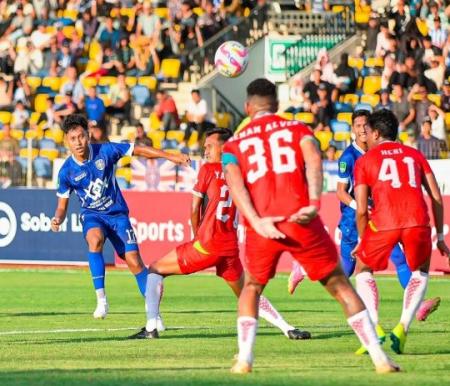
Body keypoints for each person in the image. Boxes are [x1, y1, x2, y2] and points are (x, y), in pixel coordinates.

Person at [222, 78, 399, 374]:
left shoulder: (235, 143)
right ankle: (380, 359)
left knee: (251, 287)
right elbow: (314, 159)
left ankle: (244, 360)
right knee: (341, 285)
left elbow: (232, 178)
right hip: (300, 218)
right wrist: (314, 201)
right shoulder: (296, 128)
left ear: (247, 107)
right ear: (276, 105)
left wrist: (254, 220)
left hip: (263, 225)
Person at [132, 128, 309, 340]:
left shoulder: (208, 169)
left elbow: (194, 207)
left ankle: (152, 327)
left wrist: (197, 236)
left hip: (207, 244)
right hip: (229, 247)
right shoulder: (240, 172)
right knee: (247, 292)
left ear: (223, 148)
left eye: (209, 146)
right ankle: (287, 328)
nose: (205, 150)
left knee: (154, 270)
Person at [51, 114, 190, 319]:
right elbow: (62, 206)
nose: (78, 142)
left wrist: (170, 156)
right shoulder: (66, 172)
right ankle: (102, 300)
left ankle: (154, 317)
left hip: (117, 215)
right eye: (73, 139)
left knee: (134, 262)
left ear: (88, 136)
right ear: (66, 142)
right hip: (93, 216)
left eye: (81, 137)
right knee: (94, 239)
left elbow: (138, 149)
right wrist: (57, 219)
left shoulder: (105, 151)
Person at [353, 109, 450, 355]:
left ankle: (374, 326)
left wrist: (363, 238)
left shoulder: (365, 160)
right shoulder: (415, 154)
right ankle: (403, 327)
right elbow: (436, 197)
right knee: (421, 271)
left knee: (363, 269)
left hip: (383, 222)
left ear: (375, 133)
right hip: (417, 221)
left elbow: (362, 209)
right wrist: (439, 237)